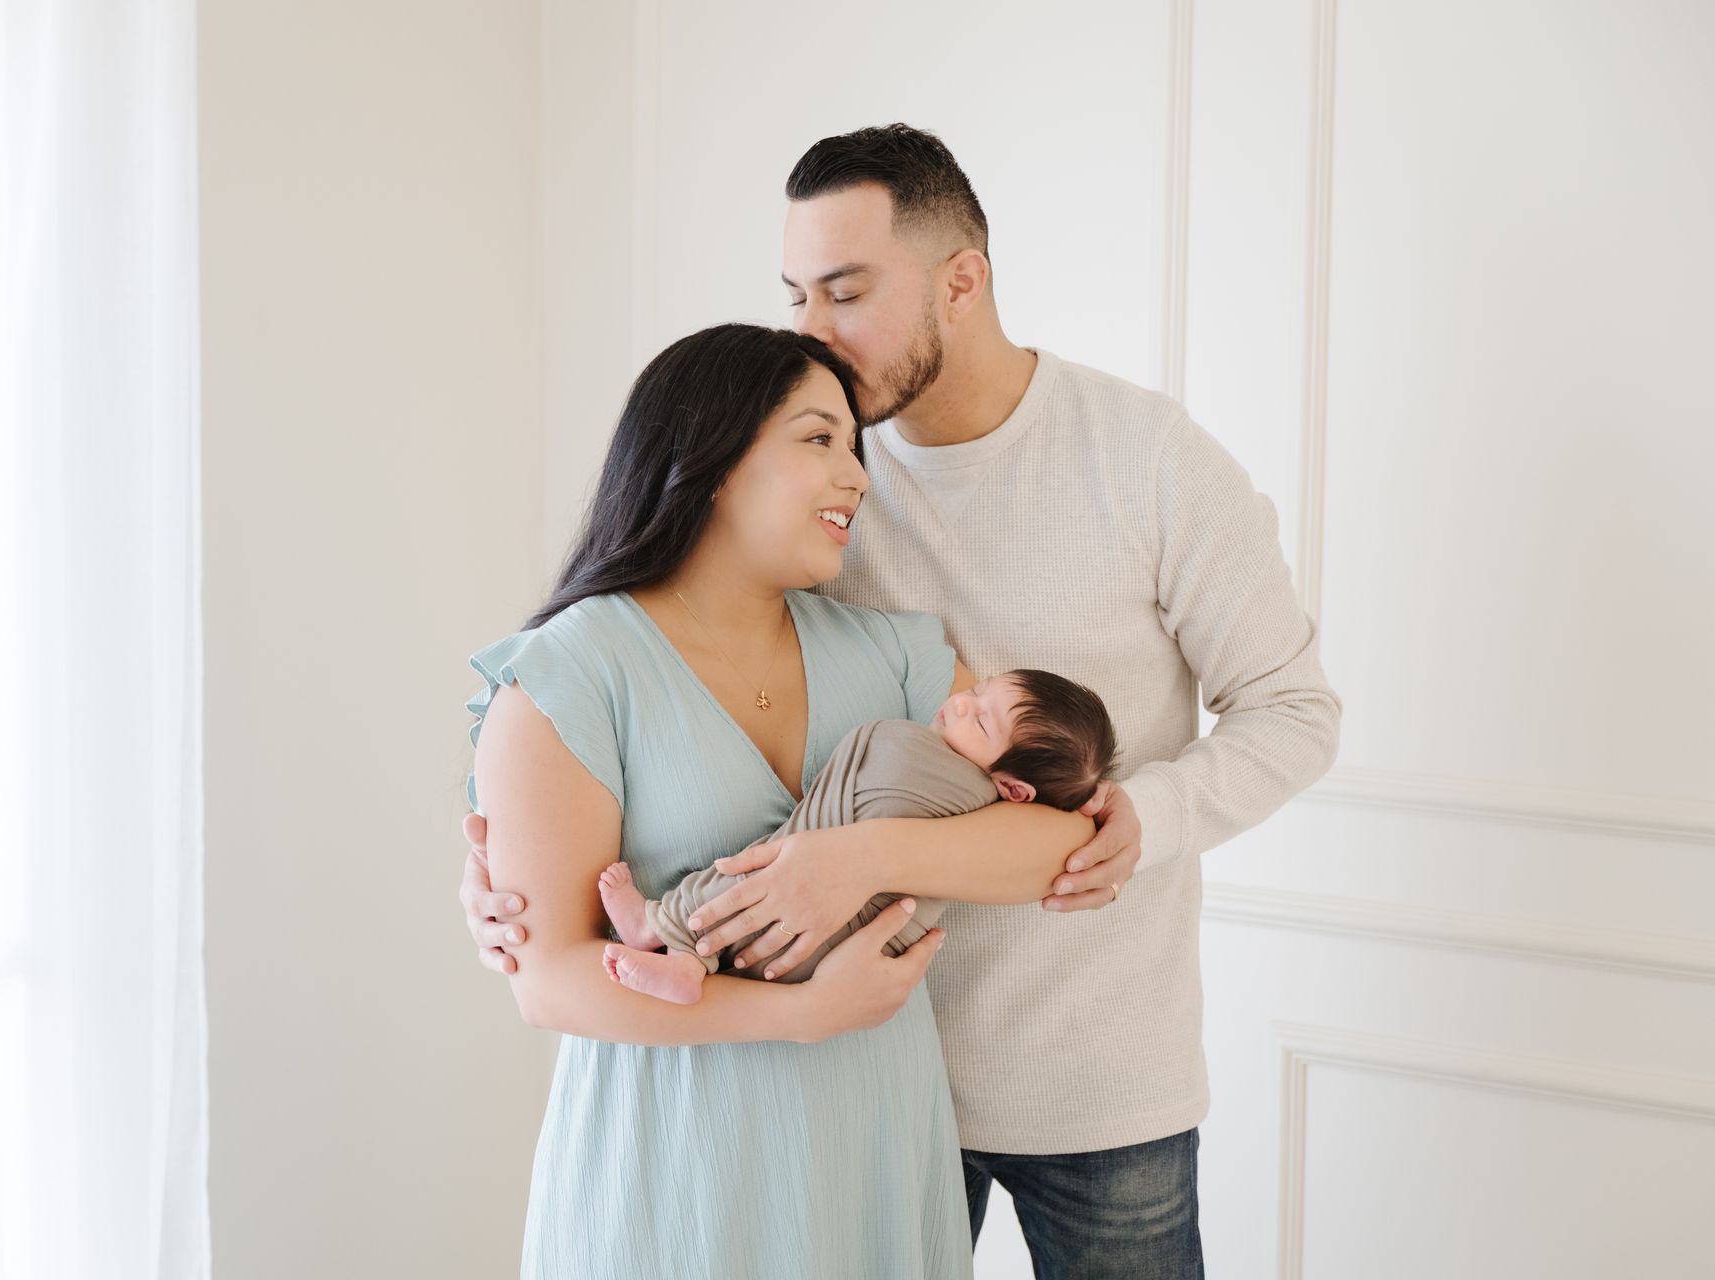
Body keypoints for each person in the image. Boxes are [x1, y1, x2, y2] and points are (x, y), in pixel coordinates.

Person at [462, 124, 1343, 1278]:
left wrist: (1142, 819)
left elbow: (1294, 710)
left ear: (960, 281)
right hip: (870, 1080)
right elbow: (645, 682)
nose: (810, 333)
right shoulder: (819, 493)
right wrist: (510, 873)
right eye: (795, 295)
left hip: (1092, 1067)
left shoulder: (1146, 461)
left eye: (845, 292)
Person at [463, 321, 1107, 1278]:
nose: (856, 475)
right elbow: (548, 980)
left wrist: (861, 859)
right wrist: (794, 1014)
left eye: (856, 447)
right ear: (712, 458)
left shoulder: (892, 654)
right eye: (819, 441)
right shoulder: (574, 671)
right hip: (671, 1172)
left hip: (872, 1151)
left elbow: (1051, 844)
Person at [598, 667, 1120, 1004]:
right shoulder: (984, 817)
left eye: (981, 722)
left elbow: (1064, 847)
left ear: (1015, 791)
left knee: (752, 871)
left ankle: (659, 928)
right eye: (976, 690)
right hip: (824, 970)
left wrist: (865, 855)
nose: (960, 702)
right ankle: (688, 964)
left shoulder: (951, 786)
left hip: (836, 954)